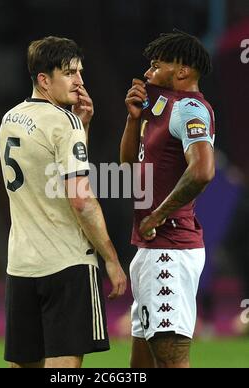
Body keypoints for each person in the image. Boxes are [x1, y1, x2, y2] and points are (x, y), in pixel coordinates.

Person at [0, 36, 126, 368]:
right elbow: (80, 199)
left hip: (21, 265)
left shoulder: (10, 119)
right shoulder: (63, 123)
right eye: (70, 73)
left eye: (80, 72)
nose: (80, 81)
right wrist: (110, 258)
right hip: (66, 265)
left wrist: (81, 126)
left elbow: (45, 177)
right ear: (44, 79)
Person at [120, 30, 215, 368]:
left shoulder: (189, 108)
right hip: (151, 250)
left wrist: (158, 214)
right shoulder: (160, 108)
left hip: (170, 250)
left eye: (156, 65)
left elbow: (203, 170)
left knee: (171, 361)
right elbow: (129, 167)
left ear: (182, 71)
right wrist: (133, 121)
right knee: (141, 367)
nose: (148, 73)